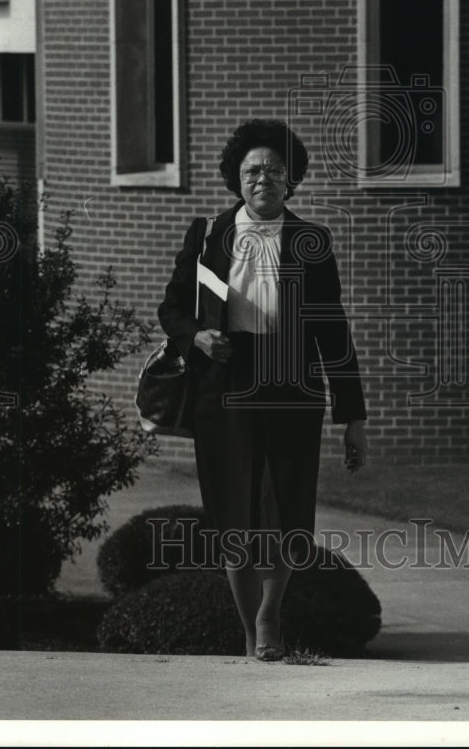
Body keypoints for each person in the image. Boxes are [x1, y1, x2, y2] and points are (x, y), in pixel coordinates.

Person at [158, 118, 367, 661]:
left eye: (275, 170)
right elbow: (173, 308)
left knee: (287, 510)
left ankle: (270, 615)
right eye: (253, 170)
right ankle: (250, 632)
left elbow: (333, 328)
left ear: (291, 179)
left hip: (292, 386)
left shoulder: (311, 241)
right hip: (224, 384)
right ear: (237, 177)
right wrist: (197, 336)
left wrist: (354, 415)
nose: (264, 179)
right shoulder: (207, 234)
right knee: (235, 512)